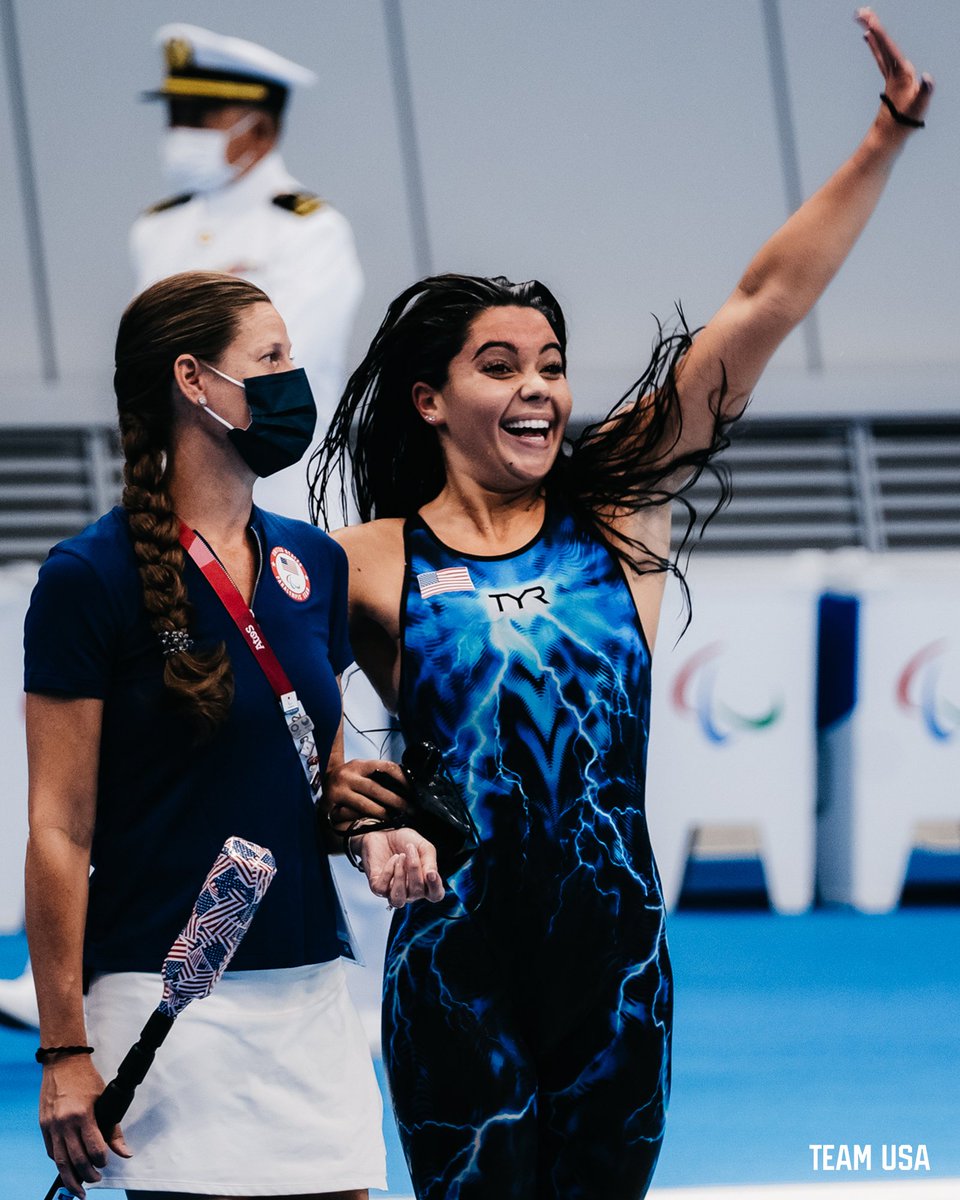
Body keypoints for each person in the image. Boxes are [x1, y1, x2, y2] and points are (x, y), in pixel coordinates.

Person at [312, 12, 932, 1199]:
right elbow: (263, 713)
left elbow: (761, 305)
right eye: (501, 366)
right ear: (429, 401)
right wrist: (342, 795)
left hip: (618, 975)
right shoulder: (370, 561)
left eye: (551, 361)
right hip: (455, 973)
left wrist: (889, 132)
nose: (540, 386)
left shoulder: (618, 514)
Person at [23, 271, 439, 1200]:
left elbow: (313, 766)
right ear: (195, 381)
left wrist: (372, 826)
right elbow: (59, 829)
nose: (296, 380)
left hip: (312, 995)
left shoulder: (313, 563)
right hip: (166, 1002)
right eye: (273, 359)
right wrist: (64, 1048)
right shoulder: (87, 580)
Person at [132, 22, 363, 519]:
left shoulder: (310, 230)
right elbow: (142, 357)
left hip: (287, 488)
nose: (180, 132)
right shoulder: (157, 230)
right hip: (180, 484)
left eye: (199, 116)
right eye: (175, 114)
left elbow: (270, 365)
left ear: (260, 128)